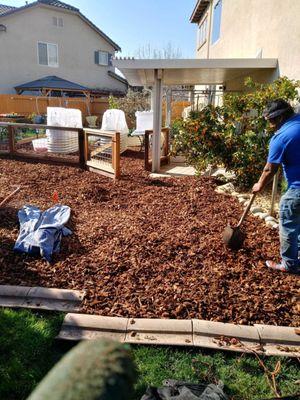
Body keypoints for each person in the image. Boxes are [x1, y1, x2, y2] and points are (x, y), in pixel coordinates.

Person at [252, 99, 300, 274]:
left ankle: (289, 264)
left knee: (289, 224)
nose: (271, 125)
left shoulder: (281, 137)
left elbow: (270, 169)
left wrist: (259, 185)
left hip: (297, 188)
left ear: (279, 117)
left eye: (271, 120)